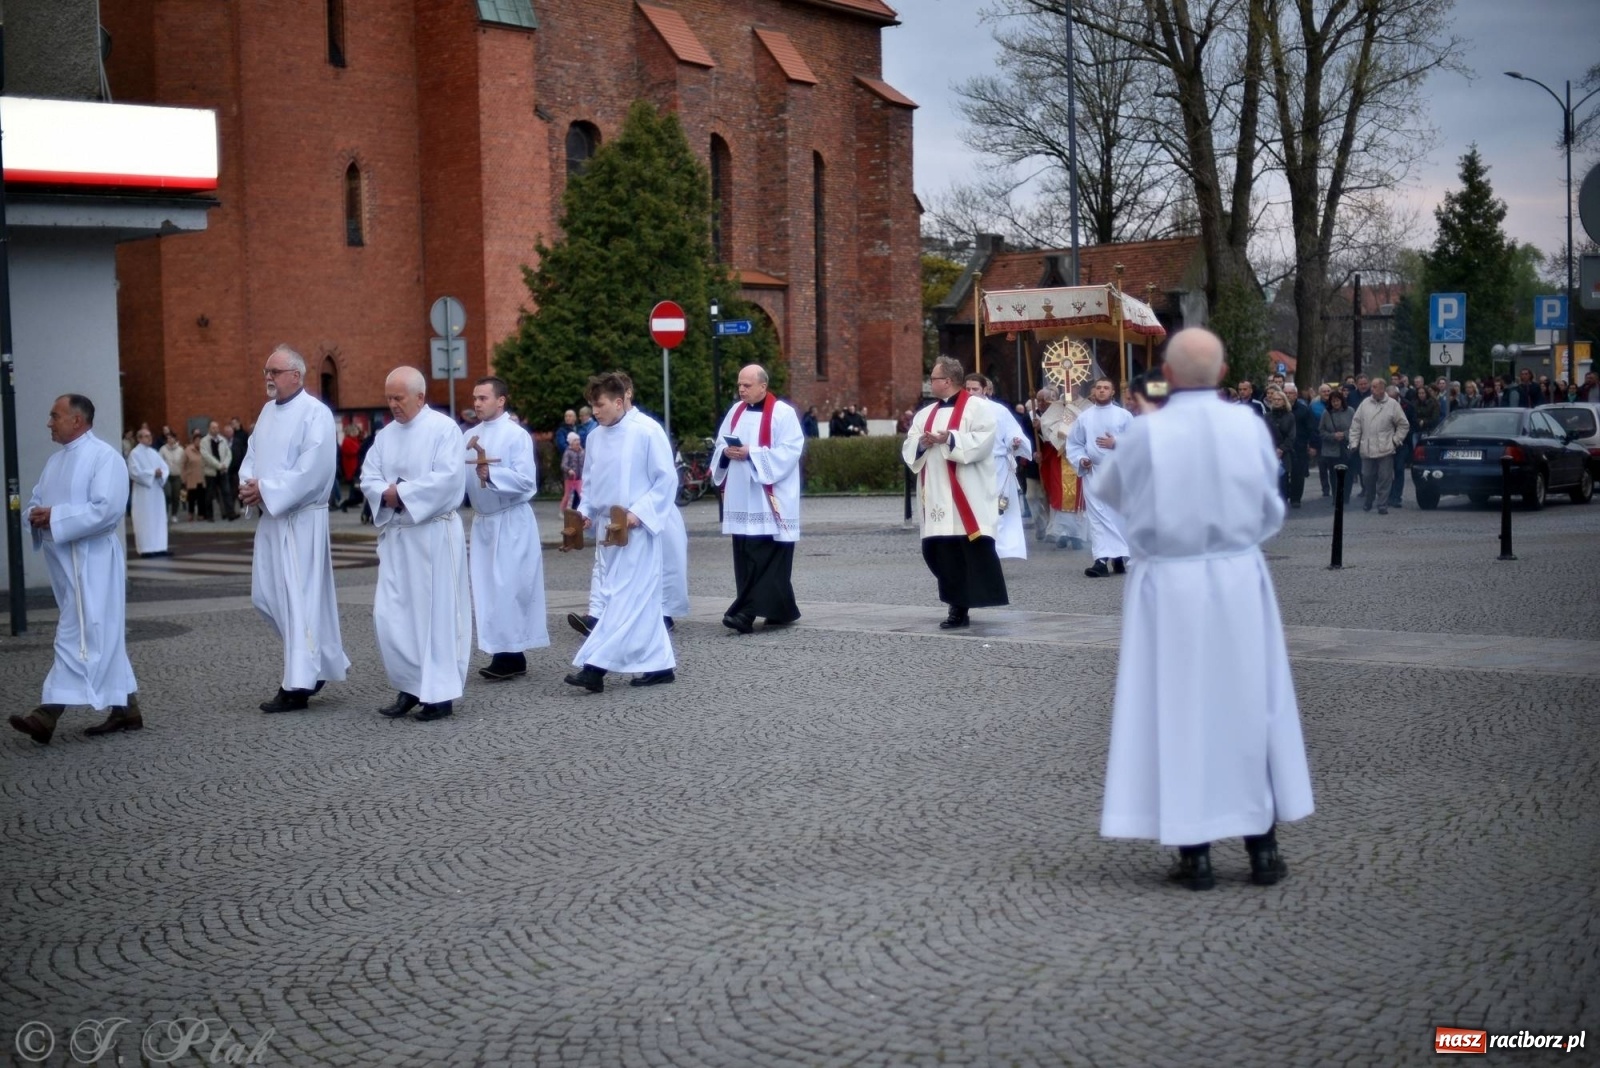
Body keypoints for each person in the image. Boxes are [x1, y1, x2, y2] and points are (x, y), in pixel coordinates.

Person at [1095, 327, 1313, 891]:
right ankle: (1262, 848)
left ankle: (1195, 854)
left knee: (1178, 707)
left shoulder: (1146, 434)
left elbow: (1112, 495)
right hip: (1239, 579)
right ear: (1221, 375)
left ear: (1166, 376)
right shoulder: (1247, 426)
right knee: (1249, 703)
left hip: (1168, 584)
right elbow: (1271, 506)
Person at [8, 395, 144, 745]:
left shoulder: (105, 458)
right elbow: (38, 501)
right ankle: (126, 708)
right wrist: (37, 516)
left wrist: (54, 516)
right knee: (99, 632)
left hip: (94, 561)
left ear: (78, 421)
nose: (49, 423)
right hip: (64, 562)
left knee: (78, 632)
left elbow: (107, 511)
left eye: (55, 416)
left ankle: (47, 714)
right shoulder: (55, 462)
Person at [238, 344, 352, 714]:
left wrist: (267, 489)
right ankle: (311, 659)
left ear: (297, 375)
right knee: (266, 596)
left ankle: (297, 684)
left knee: (298, 598)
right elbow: (252, 455)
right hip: (273, 517)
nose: (268, 378)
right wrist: (249, 484)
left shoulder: (315, 414)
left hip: (301, 519)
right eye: (265, 372)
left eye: (274, 372)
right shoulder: (268, 411)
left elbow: (313, 469)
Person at [360, 366, 470, 721]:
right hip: (398, 536)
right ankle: (409, 685)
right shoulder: (385, 436)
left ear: (420, 397)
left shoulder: (443, 430)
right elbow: (369, 476)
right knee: (391, 615)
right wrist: (386, 493)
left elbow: (449, 479)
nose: (392, 405)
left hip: (433, 535)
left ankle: (439, 694)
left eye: (399, 398)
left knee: (434, 614)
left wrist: (402, 492)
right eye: (389, 398)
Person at [565, 372, 678, 691]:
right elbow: (591, 482)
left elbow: (666, 479)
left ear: (619, 401)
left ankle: (595, 667)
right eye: (592, 406)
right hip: (606, 529)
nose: (595, 412)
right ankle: (660, 664)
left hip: (635, 529)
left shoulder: (647, 431)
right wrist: (584, 513)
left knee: (624, 598)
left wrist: (638, 513)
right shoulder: (594, 436)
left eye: (599, 405)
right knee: (633, 598)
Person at [902, 356, 1007, 629]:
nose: (930, 382)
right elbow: (909, 445)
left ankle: (959, 607)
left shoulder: (978, 408)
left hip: (967, 494)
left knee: (967, 552)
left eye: (934, 378)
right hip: (936, 494)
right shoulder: (925, 414)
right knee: (941, 553)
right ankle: (955, 601)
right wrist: (923, 444)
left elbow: (983, 442)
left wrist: (949, 438)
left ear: (947, 381)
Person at [464, 376, 550, 683]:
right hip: (485, 521)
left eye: (483, 398)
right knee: (487, 587)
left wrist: (493, 473)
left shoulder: (516, 436)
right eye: (475, 398)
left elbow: (527, 481)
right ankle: (502, 651)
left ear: (501, 400)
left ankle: (512, 654)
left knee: (509, 587)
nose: (476, 403)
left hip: (511, 520)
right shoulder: (470, 435)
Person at [710, 363, 805, 632]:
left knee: (765, 557)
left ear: (763, 386)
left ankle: (745, 613)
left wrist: (752, 452)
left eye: (747, 385)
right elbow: (720, 444)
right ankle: (782, 609)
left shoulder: (783, 413)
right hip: (742, 497)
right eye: (739, 385)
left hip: (769, 499)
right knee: (747, 554)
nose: (741, 390)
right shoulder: (735, 412)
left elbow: (790, 451)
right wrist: (726, 453)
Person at [1067, 377, 1134, 577]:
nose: (1102, 391)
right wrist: (1082, 459)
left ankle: (1119, 556)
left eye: (1106, 388)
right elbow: (1075, 443)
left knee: (1116, 516)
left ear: (1113, 392)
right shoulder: (1084, 417)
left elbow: (1137, 441)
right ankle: (1101, 559)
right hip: (1093, 472)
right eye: (1098, 388)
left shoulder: (1124, 415)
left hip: (1118, 473)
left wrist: (1117, 442)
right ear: (1093, 391)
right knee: (1097, 517)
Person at [965, 373, 1031, 560]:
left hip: (997, 466)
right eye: (967, 389)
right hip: (971, 466)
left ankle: (995, 553)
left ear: (984, 389)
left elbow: (1011, 433)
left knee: (997, 511)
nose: (971, 393)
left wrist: (1015, 442)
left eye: (975, 389)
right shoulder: (960, 410)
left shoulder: (998, 410)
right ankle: (977, 552)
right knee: (974, 510)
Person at [1034, 387, 1088, 549]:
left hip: (1080, 456)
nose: (1072, 387)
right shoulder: (1056, 405)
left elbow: (1090, 425)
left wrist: (1074, 432)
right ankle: (1063, 533)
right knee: (1059, 493)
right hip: (1060, 455)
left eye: (1075, 384)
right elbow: (1046, 424)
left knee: (1080, 496)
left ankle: (1078, 535)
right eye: (1068, 385)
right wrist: (1060, 434)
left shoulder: (1087, 405)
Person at [1346, 377, 1409, 515]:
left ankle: (1382, 504)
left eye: (1375, 387)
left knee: (1384, 478)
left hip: (1385, 447)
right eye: (1372, 387)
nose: (1372, 389)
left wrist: (1395, 440)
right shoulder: (1365, 404)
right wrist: (1354, 443)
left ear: (1382, 389)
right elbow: (1356, 425)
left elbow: (1403, 425)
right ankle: (1369, 497)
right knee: (1367, 476)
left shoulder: (1392, 404)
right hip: (1367, 447)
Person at [125, 427, 169, 556]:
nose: (149, 438)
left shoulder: (154, 452)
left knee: (158, 518)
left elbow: (165, 468)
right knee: (144, 519)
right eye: (146, 436)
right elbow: (134, 472)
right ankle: (146, 548)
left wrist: (161, 474)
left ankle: (160, 546)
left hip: (156, 491)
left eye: (150, 435)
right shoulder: (134, 454)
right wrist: (152, 473)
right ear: (139, 438)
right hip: (143, 492)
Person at [1317, 390, 1354, 501]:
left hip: (1346, 448)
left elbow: (1356, 428)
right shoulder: (1326, 413)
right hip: (1332, 450)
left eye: (1337, 401)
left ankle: (1346, 495)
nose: (1336, 403)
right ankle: (1336, 495)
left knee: (1347, 474)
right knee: (1334, 474)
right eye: (1333, 401)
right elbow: (1321, 431)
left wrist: (1345, 434)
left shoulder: (1350, 411)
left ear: (1342, 400)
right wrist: (1333, 436)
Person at [1284, 383, 1314, 508]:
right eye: (1285, 393)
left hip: (1299, 446)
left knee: (1298, 474)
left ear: (1296, 395)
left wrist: (1312, 444)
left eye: (1290, 393)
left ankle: (1296, 498)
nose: (1288, 395)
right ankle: (1284, 495)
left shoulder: (1303, 410)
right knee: (1283, 473)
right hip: (1283, 446)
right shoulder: (1279, 409)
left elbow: (1310, 428)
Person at [1264, 387, 1295, 502]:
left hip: (1284, 452)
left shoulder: (1289, 416)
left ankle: (1283, 500)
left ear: (1284, 401)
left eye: (1279, 399)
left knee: (1283, 479)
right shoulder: (1267, 416)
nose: (1276, 401)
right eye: (1274, 399)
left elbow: (1291, 435)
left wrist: (1282, 449)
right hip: (1270, 451)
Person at [201, 419, 237, 520]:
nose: (215, 429)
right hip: (211, 472)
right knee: (209, 494)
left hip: (223, 471)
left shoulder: (222, 440)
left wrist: (225, 464)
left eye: (217, 427)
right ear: (209, 429)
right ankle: (209, 515)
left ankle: (231, 514)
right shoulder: (204, 441)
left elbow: (228, 454)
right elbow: (206, 457)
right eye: (213, 427)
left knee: (227, 492)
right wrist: (219, 465)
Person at [159, 430, 185, 522]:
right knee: (167, 494)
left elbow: (183, 463)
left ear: (175, 439)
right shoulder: (163, 449)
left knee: (176, 496)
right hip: (167, 476)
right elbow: (159, 462)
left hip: (177, 475)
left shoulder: (181, 450)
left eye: (171, 438)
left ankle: (174, 514)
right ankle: (165, 514)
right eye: (168, 438)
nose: (169, 440)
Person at [183, 430, 208, 520]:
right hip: (191, 477)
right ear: (193, 441)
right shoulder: (188, 450)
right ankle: (191, 513)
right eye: (197, 440)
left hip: (202, 477)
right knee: (191, 497)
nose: (198, 442)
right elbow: (183, 465)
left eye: (200, 440)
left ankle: (201, 514)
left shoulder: (204, 450)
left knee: (201, 497)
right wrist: (184, 478)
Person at [338, 424, 363, 510]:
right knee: (354, 484)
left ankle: (354, 500)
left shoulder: (355, 440)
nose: (357, 432)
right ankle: (352, 500)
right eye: (356, 431)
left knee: (355, 484)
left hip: (355, 464)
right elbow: (351, 451)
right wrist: (358, 450)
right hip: (351, 465)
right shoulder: (347, 440)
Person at [560, 431, 584, 510]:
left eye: (578, 440)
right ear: (570, 443)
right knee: (568, 495)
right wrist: (569, 470)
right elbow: (563, 465)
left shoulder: (582, 452)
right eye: (574, 440)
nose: (577, 442)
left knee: (582, 494)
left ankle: (583, 509)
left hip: (579, 478)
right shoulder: (568, 452)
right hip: (569, 478)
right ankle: (562, 510)